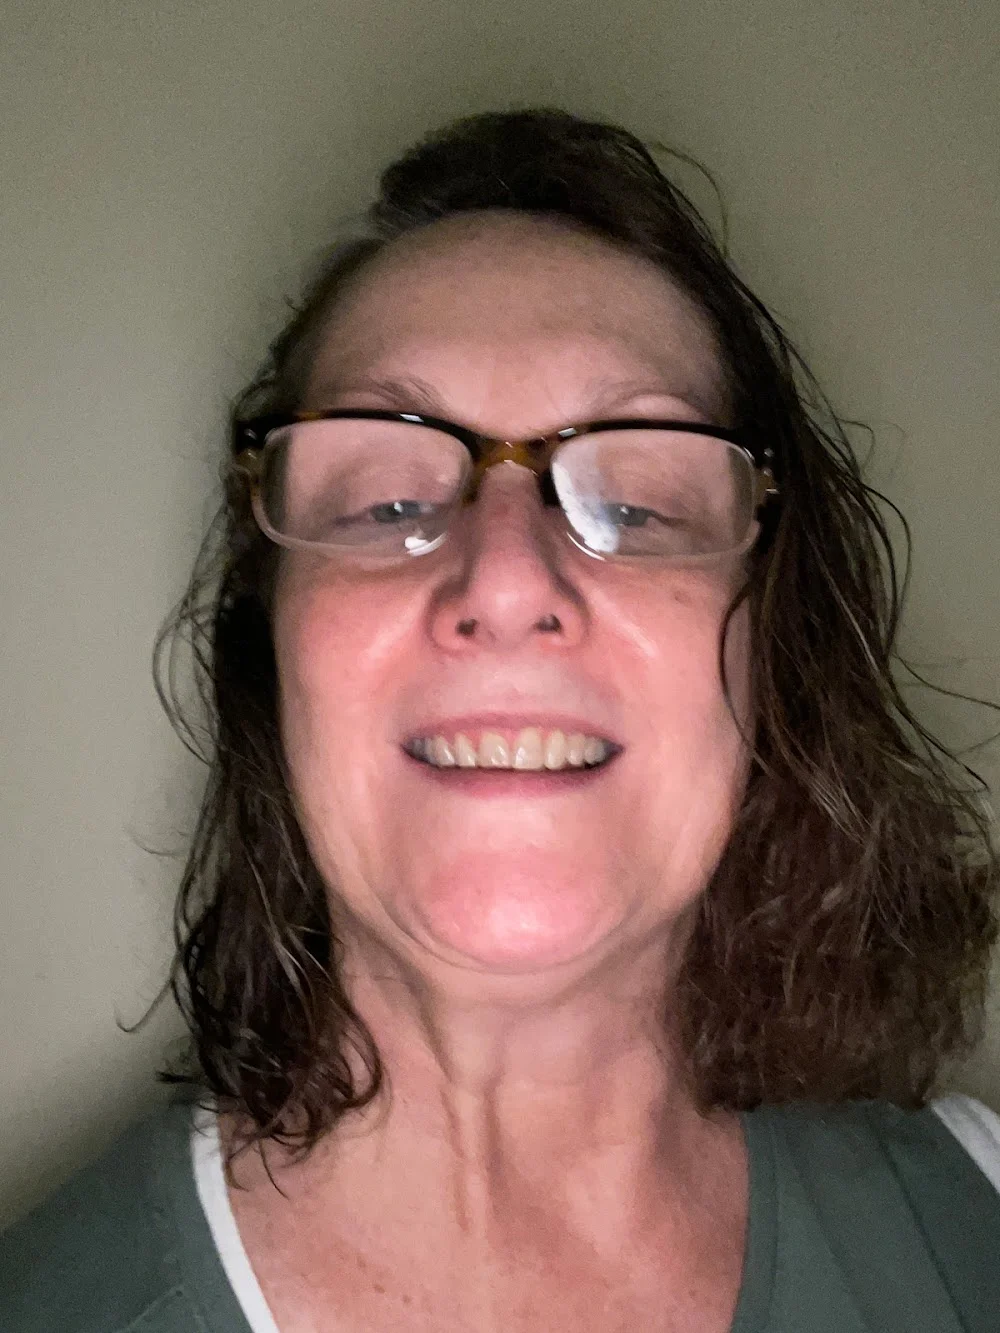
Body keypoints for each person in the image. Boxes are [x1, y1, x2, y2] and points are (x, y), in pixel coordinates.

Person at [2, 108, 999, 1332]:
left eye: (639, 504)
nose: (509, 579)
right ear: (273, 642)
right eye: (384, 503)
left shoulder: (976, 1214)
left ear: (768, 642)